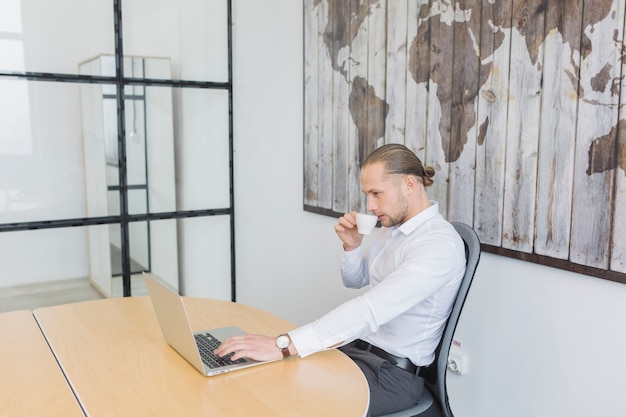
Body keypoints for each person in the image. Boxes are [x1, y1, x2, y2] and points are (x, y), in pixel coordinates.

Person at [215, 144, 466, 416]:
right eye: (367, 195)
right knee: (263, 375)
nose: (370, 206)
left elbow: (369, 309)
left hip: (391, 376)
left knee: (286, 398)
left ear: (408, 184)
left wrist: (284, 344)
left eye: (376, 194)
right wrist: (352, 247)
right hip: (357, 351)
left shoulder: (437, 245)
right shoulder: (391, 229)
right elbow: (355, 280)